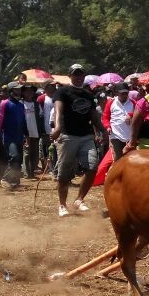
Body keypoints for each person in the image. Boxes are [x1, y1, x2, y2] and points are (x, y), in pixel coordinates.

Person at [52, 63, 107, 216]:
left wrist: (102, 130)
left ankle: (79, 199)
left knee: (92, 167)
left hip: (86, 136)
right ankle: (62, 205)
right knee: (64, 173)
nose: (78, 77)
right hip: (67, 135)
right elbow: (58, 110)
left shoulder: (88, 94)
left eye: (81, 74)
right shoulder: (62, 92)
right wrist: (57, 127)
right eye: (75, 74)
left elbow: (94, 116)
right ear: (70, 76)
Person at [0, 82, 27, 189]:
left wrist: (26, 135)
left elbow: (23, 121)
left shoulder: (21, 105)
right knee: (14, 156)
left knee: (19, 159)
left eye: (19, 89)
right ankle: (5, 178)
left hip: (19, 136)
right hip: (9, 136)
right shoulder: (4, 103)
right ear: (11, 91)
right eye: (16, 89)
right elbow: (0, 119)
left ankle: (15, 182)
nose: (19, 91)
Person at [103, 82, 134, 160]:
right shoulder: (111, 102)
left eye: (126, 93)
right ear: (116, 93)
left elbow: (139, 114)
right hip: (115, 135)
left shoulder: (133, 102)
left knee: (130, 158)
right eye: (122, 93)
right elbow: (105, 117)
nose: (124, 95)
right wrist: (108, 127)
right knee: (118, 158)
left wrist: (131, 114)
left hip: (129, 136)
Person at [19, 84, 44, 178]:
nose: (30, 92)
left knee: (35, 153)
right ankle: (27, 173)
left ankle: (32, 171)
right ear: (23, 93)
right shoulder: (20, 104)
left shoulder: (36, 104)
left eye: (31, 91)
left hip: (35, 132)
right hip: (25, 132)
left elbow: (40, 117)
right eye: (27, 91)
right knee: (26, 153)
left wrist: (41, 131)